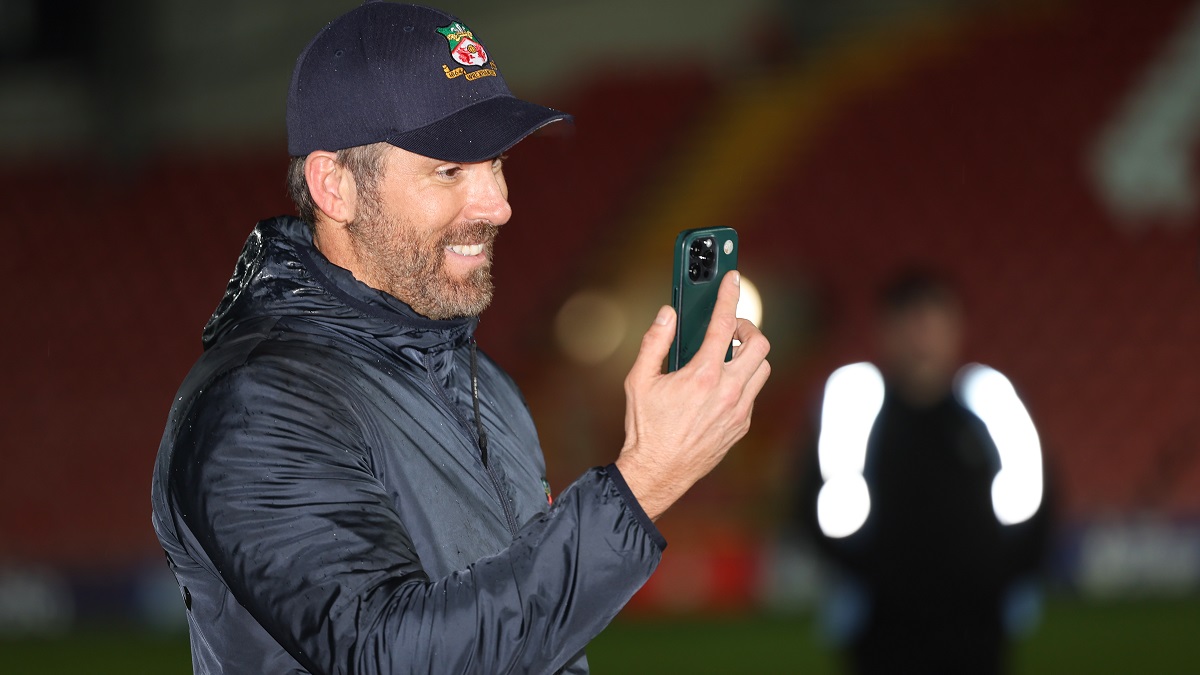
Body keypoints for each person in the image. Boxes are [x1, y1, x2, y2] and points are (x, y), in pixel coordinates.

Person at [149, 3, 771, 674]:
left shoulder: (484, 381)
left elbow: (524, 637)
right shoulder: (257, 406)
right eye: (450, 171)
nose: (498, 203)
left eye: (496, 163)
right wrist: (643, 481)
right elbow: (389, 655)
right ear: (336, 186)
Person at [791, 268, 1051, 675]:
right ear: (885, 331)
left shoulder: (988, 409)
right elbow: (809, 506)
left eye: (933, 322)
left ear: (956, 328)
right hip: (884, 631)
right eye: (910, 323)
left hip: (976, 629)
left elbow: (1040, 502)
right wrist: (869, 579)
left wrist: (1000, 579)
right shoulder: (857, 412)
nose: (922, 339)